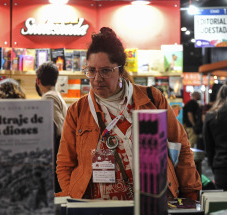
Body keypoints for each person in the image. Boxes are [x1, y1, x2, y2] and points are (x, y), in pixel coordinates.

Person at [56, 27, 201, 200]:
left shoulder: (152, 99)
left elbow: (181, 146)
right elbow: (65, 164)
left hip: (152, 204)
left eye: (105, 70)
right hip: (95, 210)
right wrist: (74, 196)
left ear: (121, 70)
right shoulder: (78, 110)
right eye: (92, 70)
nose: (97, 78)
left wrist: (190, 193)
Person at [35, 61, 68, 193]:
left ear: (38, 81)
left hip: (54, 166)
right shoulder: (57, 96)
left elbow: (57, 133)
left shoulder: (49, 98)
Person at [203, 84, 227, 191]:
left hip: (221, 165)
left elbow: (208, 145)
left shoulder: (211, 116)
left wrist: (212, 164)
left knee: (223, 202)